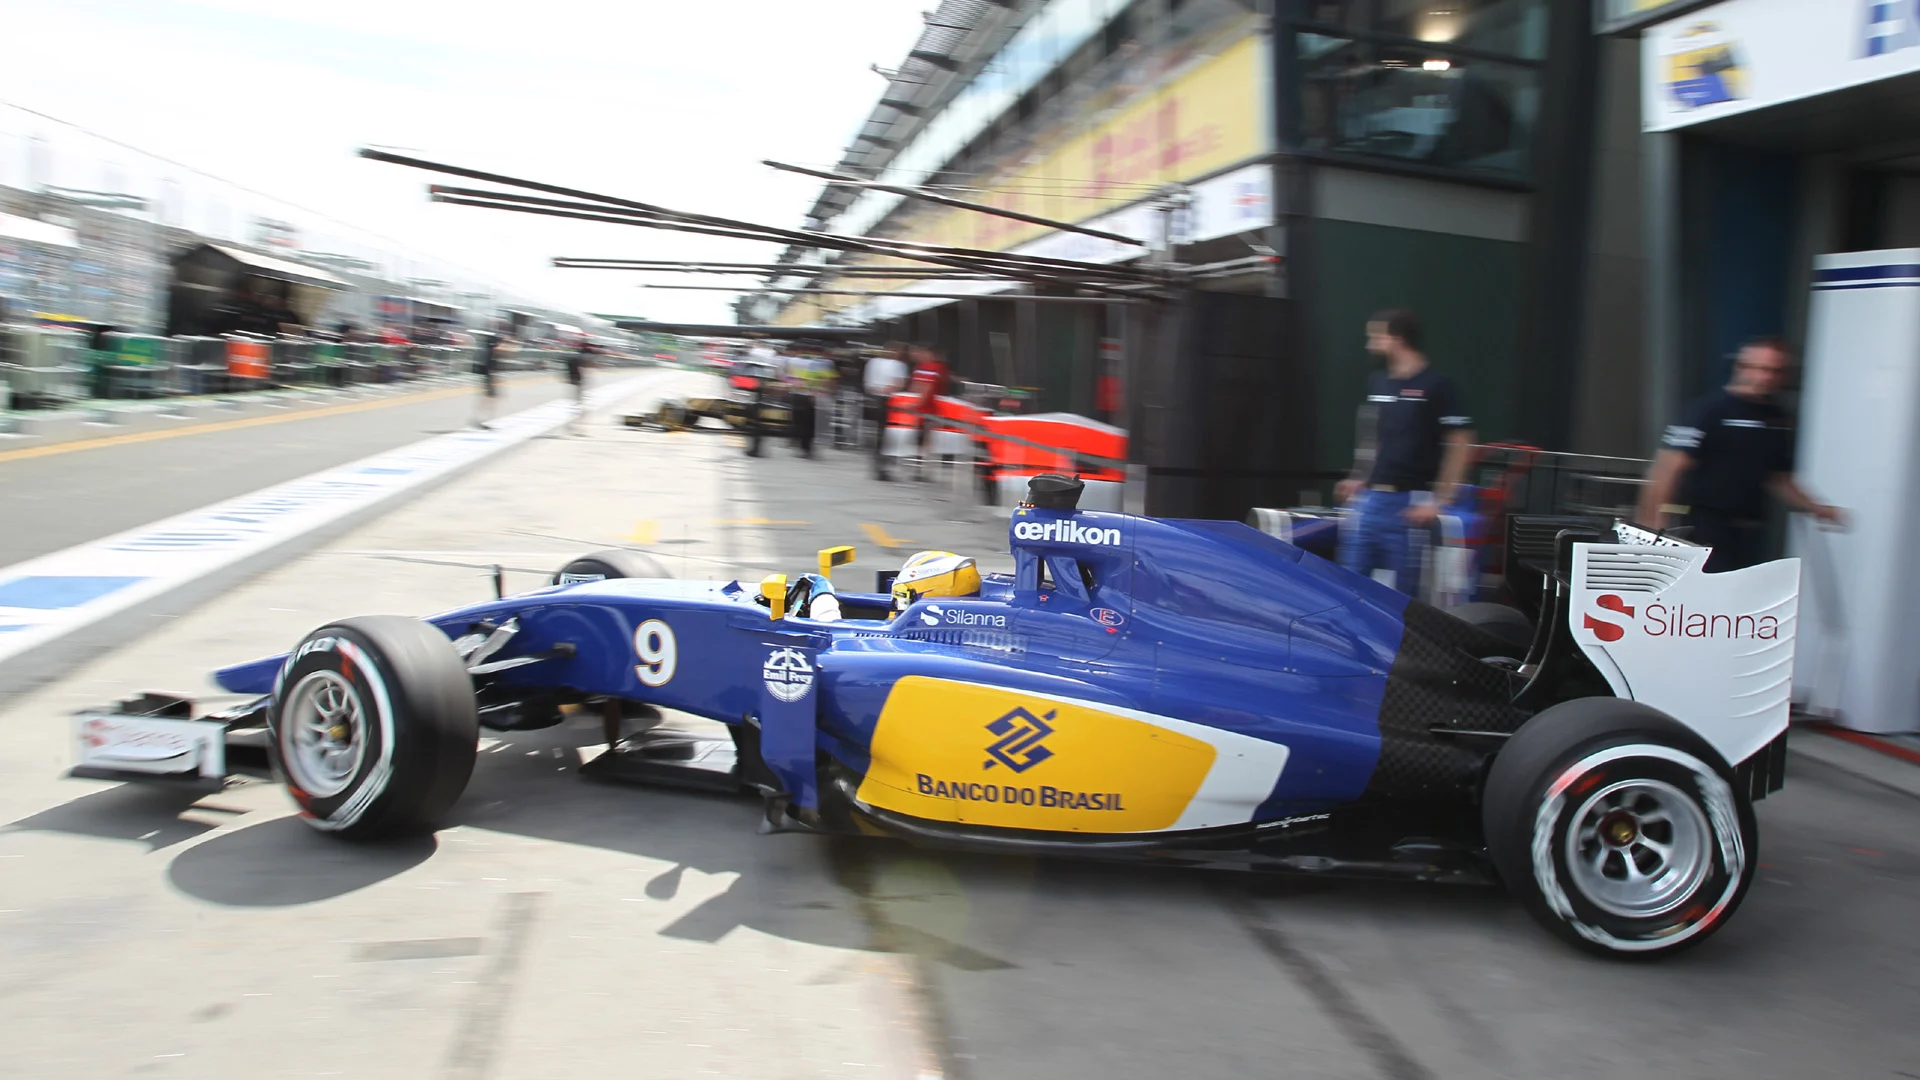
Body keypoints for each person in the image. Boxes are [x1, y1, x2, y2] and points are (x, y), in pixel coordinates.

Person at [1636, 336, 1845, 571]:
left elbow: (1779, 478)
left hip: (1750, 530)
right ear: (1741, 367)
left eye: (1776, 371)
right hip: (1705, 525)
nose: (1767, 377)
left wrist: (1818, 508)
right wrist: (1651, 526)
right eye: (1761, 369)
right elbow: (1667, 469)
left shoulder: (1775, 417)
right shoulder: (1710, 411)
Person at [1334, 309, 1475, 598]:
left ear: (1397, 338)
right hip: (1370, 500)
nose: (1369, 344)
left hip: (1409, 503)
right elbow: (1374, 437)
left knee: (1403, 594)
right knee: (1348, 583)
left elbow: (1461, 442)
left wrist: (1441, 501)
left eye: (1376, 336)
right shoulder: (1377, 382)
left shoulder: (1437, 386)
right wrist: (1358, 477)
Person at [863, 343, 909, 480]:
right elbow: (897, 384)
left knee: (878, 434)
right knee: (889, 435)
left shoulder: (873, 362)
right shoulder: (899, 365)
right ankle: (883, 466)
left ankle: (877, 464)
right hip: (889, 401)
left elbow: (867, 382)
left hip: (873, 398)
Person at [473, 324, 506, 429]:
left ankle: (483, 420)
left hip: (488, 377)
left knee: (490, 398)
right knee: (490, 399)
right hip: (489, 377)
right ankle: (482, 420)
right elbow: (492, 367)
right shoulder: (491, 352)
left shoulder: (487, 350)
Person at [565, 337, 594, 434]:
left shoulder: (574, 356)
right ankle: (575, 426)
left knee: (579, 404)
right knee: (581, 406)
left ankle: (575, 426)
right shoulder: (583, 357)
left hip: (574, 381)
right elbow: (583, 370)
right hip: (579, 382)